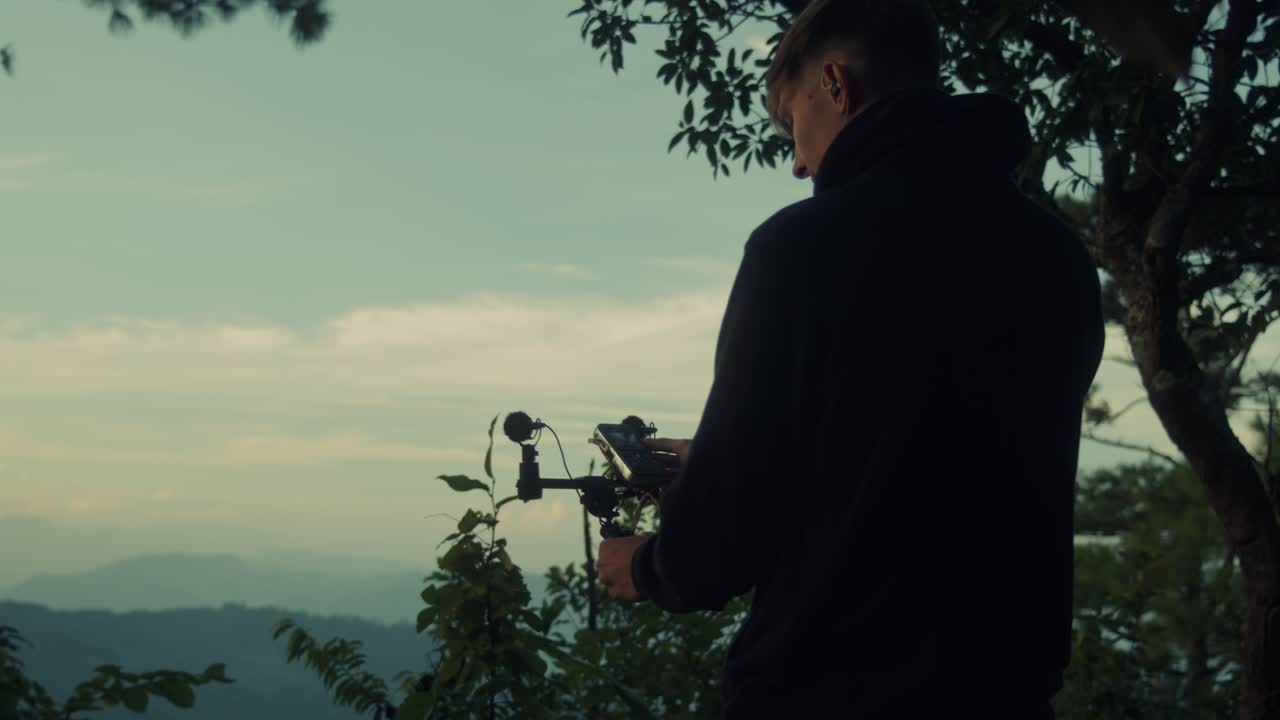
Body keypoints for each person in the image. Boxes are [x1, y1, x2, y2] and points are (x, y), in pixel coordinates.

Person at [595, 0, 1106, 717]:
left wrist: (645, 568)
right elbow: (922, 458)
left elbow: (720, 545)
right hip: (1003, 692)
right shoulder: (1055, 256)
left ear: (836, 85)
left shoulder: (801, 250)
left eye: (792, 126)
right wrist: (717, 458)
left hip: (826, 693)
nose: (800, 162)